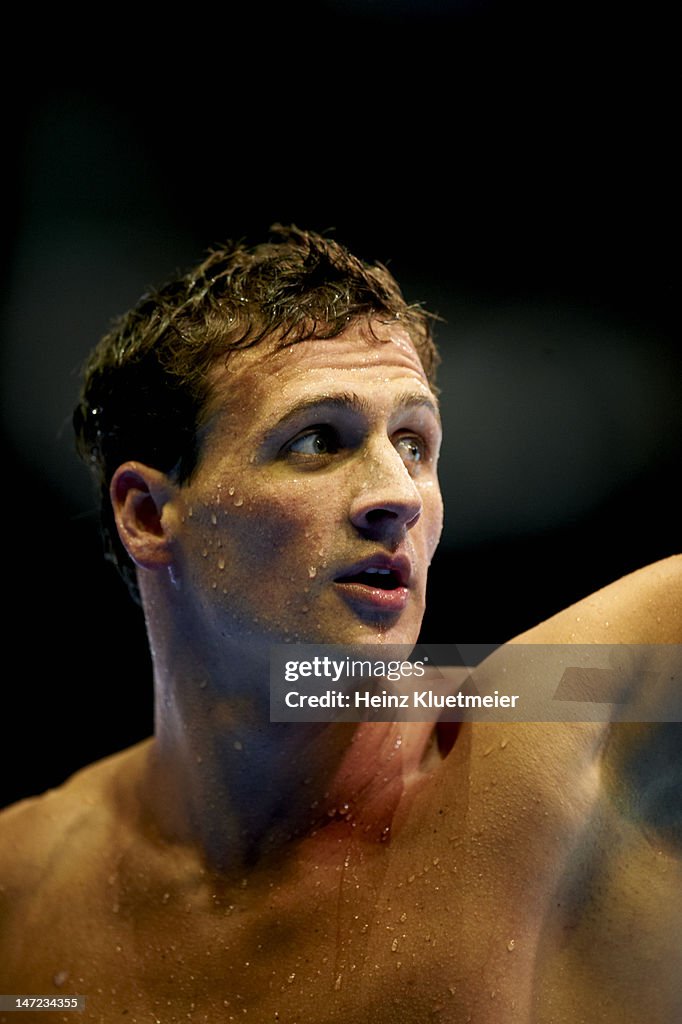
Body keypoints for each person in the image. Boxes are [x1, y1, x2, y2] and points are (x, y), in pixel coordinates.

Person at [0, 225, 680, 1024]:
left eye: (415, 444)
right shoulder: (20, 884)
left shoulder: (561, 719)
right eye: (318, 440)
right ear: (149, 514)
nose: (396, 492)